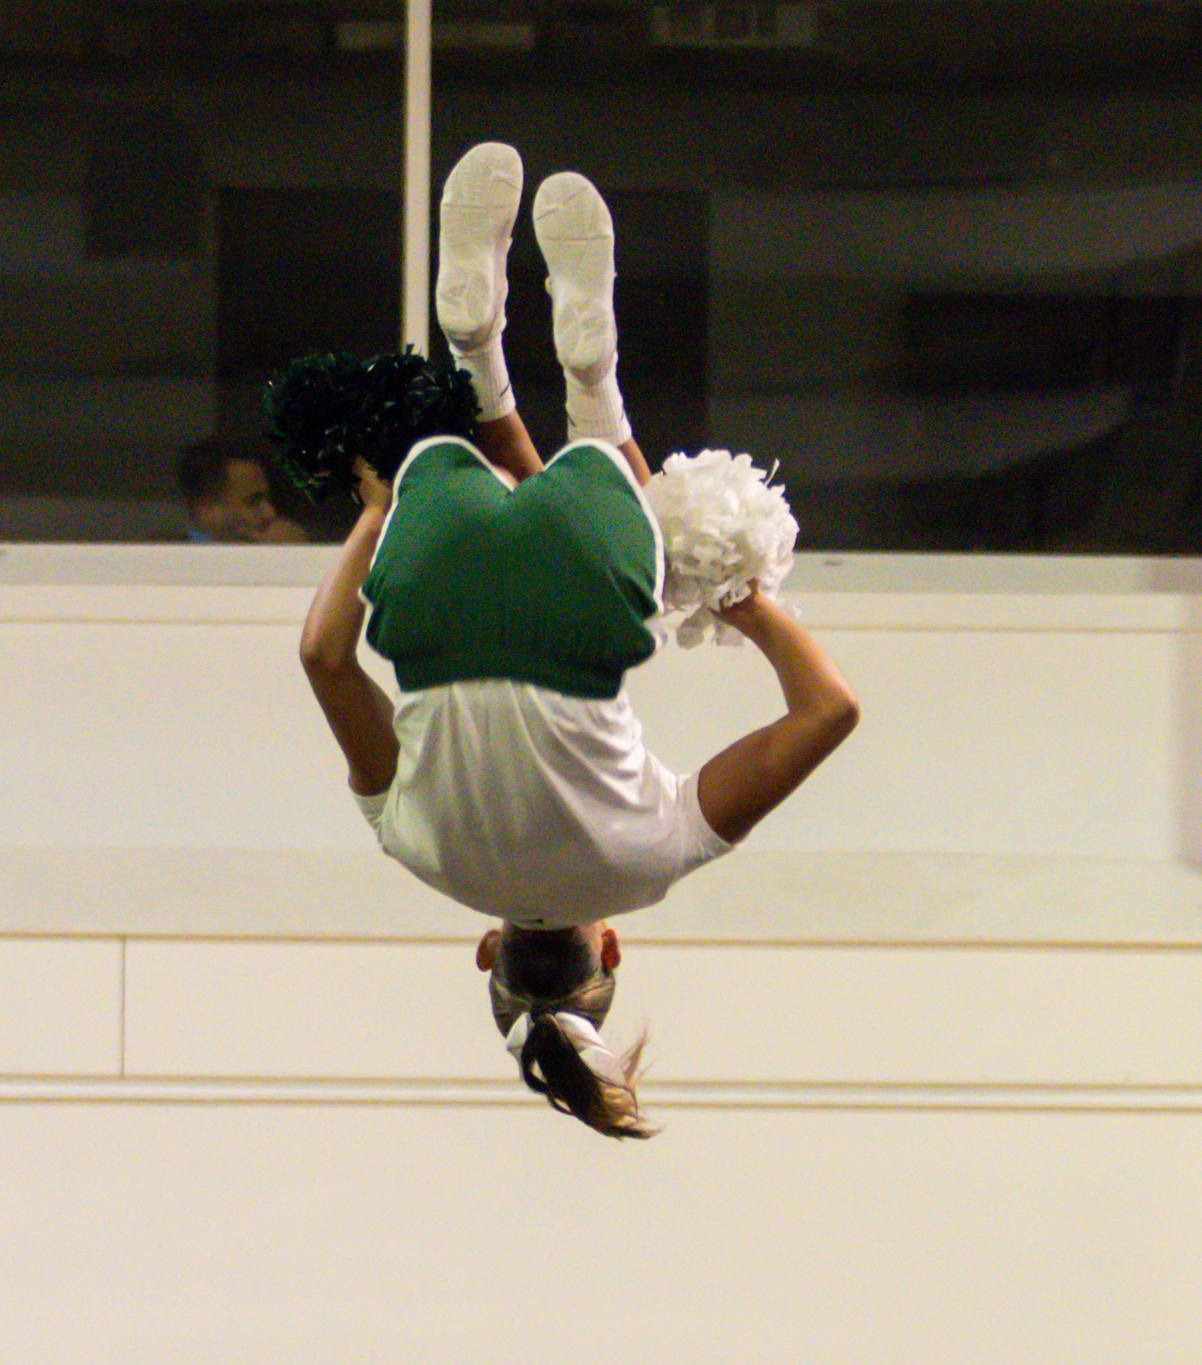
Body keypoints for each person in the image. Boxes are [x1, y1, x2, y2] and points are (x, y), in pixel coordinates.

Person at [295, 144, 858, 1138]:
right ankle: (473, 354)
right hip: (429, 589)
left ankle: (588, 370)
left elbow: (828, 711)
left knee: (631, 524)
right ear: (484, 953)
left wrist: (733, 595)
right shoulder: (418, 851)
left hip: (582, 604)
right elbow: (323, 660)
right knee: (526, 507)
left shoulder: (648, 864)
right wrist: (379, 512)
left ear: (611, 955)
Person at [177, 440, 308, 543]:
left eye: (267, 500)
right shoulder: (176, 569)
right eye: (253, 502)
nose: (270, 513)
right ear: (208, 509)